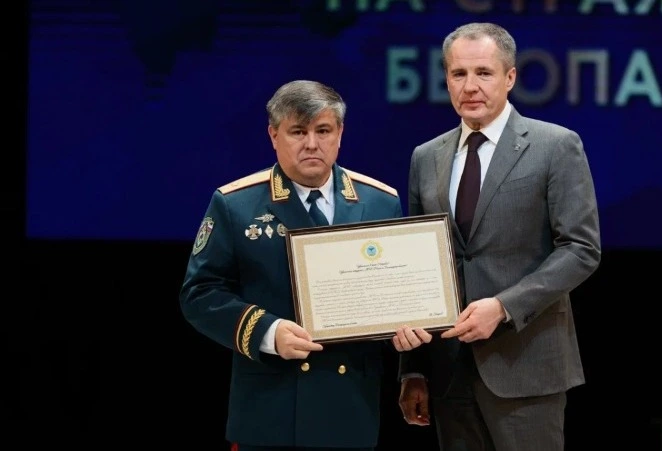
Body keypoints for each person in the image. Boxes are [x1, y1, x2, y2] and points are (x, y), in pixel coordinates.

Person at [179, 79, 427, 451]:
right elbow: (199, 295)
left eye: (323, 130)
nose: (312, 143)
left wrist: (405, 328)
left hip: (350, 409)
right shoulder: (235, 204)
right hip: (271, 409)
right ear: (273, 135)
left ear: (340, 134)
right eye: (298, 131)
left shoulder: (380, 202)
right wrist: (267, 331)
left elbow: (397, 295)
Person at [397, 23, 602, 451]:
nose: (470, 86)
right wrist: (413, 369)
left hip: (525, 363)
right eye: (459, 74)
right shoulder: (426, 157)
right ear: (446, 79)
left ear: (510, 77)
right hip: (448, 371)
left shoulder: (555, 146)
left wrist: (504, 307)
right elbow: (417, 266)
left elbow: (581, 249)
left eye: (484, 73)